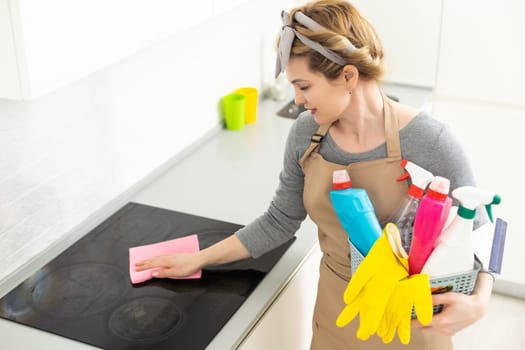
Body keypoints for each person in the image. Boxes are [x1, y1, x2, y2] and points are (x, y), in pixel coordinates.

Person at [135, 1, 494, 348]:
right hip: (338, 314)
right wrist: (198, 258)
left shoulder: (427, 139)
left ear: (348, 75)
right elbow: (279, 220)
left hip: (411, 322)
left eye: (304, 86)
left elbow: (481, 228)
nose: (298, 99)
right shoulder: (307, 134)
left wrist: (478, 301)